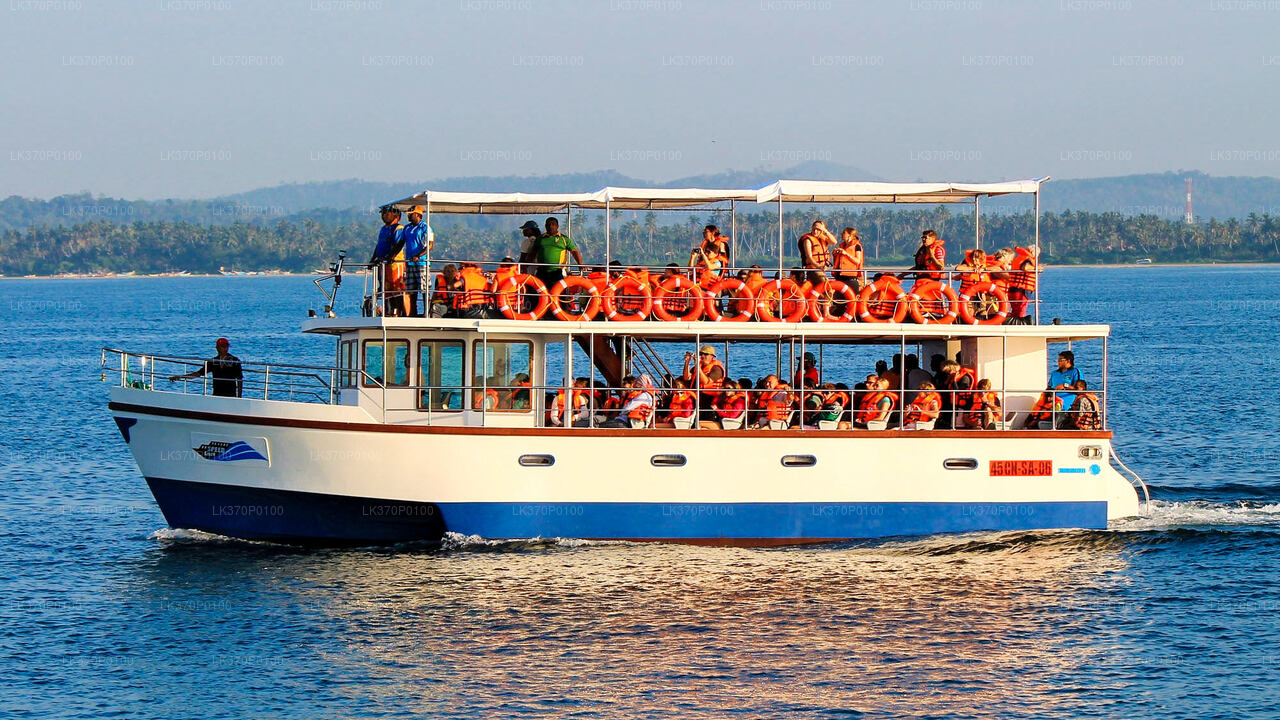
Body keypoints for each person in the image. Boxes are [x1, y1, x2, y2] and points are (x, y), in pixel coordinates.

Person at [169, 337, 243, 397]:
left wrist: (239, 398)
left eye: (226, 346)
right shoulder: (212, 361)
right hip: (217, 393)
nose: (224, 348)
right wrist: (180, 377)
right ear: (217, 348)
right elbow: (199, 373)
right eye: (222, 346)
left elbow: (239, 379)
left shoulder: (234, 361)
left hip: (230, 393)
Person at [369, 205, 408, 316]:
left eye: (387, 213)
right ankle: (389, 311)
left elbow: (398, 244)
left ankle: (401, 312)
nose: (384, 216)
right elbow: (379, 245)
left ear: (396, 215)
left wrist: (391, 256)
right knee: (386, 289)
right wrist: (373, 259)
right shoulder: (383, 229)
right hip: (383, 263)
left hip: (395, 264)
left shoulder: (398, 228)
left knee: (397, 289)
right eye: (383, 214)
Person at [401, 205, 434, 317]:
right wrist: (391, 256)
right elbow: (401, 243)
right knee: (411, 289)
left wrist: (418, 256)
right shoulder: (407, 228)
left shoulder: (425, 228)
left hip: (421, 263)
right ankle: (412, 313)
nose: (409, 216)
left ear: (418, 215)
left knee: (424, 289)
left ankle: (427, 313)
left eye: (411, 214)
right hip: (410, 263)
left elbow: (429, 245)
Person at [532, 217, 583, 289]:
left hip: (557, 271)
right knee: (538, 293)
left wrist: (580, 264)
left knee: (558, 292)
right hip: (541, 270)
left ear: (557, 226)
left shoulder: (564, 239)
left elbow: (574, 252)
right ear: (545, 226)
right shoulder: (540, 239)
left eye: (553, 224)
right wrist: (524, 265)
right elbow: (533, 252)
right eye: (548, 225)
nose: (550, 226)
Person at [683, 345, 726, 417]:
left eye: (706, 354)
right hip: (696, 397)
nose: (702, 356)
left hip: (709, 399)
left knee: (704, 417)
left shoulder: (716, 368)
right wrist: (687, 362)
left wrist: (697, 365)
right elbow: (687, 378)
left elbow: (706, 382)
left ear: (712, 356)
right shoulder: (698, 366)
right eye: (701, 354)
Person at [938, 359, 976, 429]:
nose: (948, 374)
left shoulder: (965, 378)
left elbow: (958, 391)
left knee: (959, 425)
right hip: (953, 405)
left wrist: (954, 381)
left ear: (952, 369)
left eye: (948, 371)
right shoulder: (952, 377)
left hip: (962, 406)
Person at [798, 220, 836, 286]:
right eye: (814, 229)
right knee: (826, 287)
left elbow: (834, 242)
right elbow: (809, 256)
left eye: (818, 229)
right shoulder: (808, 240)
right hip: (813, 271)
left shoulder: (823, 238)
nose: (815, 231)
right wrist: (819, 266)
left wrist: (825, 230)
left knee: (823, 289)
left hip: (821, 270)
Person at [831, 227, 865, 291]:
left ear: (850, 235)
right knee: (838, 298)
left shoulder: (857, 246)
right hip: (840, 276)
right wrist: (835, 255)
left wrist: (846, 254)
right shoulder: (842, 246)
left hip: (850, 277)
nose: (841, 234)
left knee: (851, 297)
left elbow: (858, 261)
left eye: (844, 233)